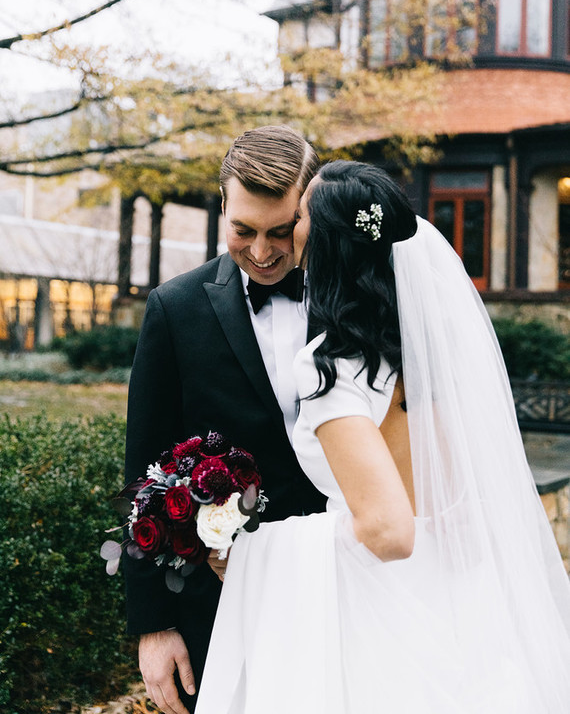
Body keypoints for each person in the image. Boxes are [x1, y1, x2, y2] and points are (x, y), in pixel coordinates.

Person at [196, 160, 570, 714]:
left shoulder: (330, 369)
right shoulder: (429, 356)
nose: (286, 225)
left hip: (377, 615)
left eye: (298, 215)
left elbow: (390, 533)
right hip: (458, 601)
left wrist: (255, 547)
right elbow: (458, 510)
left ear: (324, 239)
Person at [124, 125, 326, 714]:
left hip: (339, 585)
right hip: (217, 600)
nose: (262, 252)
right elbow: (145, 471)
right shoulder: (174, 309)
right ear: (222, 209)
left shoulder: (356, 302)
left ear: (309, 213)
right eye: (243, 230)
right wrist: (153, 626)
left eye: (281, 232)